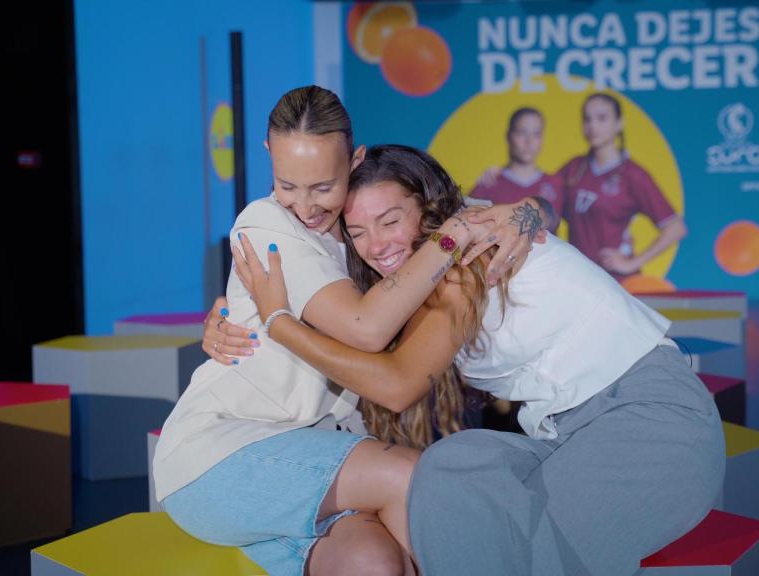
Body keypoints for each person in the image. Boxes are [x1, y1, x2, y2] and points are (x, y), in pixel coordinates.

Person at [233, 144, 726, 575]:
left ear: (428, 208)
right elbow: (535, 210)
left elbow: (398, 385)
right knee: (450, 469)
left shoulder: (461, 253)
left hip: (652, 419)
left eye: (390, 220)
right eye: (358, 232)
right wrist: (230, 317)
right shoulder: (428, 263)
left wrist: (278, 320)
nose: (376, 245)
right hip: (568, 433)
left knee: (541, 551)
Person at [153, 86, 547, 576]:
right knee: (412, 477)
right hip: (220, 455)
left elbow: (486, 213)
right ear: (268, 157)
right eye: (287, 184)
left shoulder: (363, 225)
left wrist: (526, 210)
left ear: (354, 161)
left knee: (374, 563)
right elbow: (365, 328)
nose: (305, 207)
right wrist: (458, 230)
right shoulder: (265, 223)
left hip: (315, 462)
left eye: (323, 187)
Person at [558, 92, 687, 282]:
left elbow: (676, 228)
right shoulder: (574, 168)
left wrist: (632, 263)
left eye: (602, 118)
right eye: (587, 119)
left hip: (618, 283)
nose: (593, 126)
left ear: (619, 123)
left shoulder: (632, 175)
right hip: (580, 279)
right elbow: (542, 200)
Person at [469, 107, 562, 232]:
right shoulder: (489, 183)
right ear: (509, 136)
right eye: (522, 133)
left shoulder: (556, 184)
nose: (529, 141)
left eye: (536, 134)